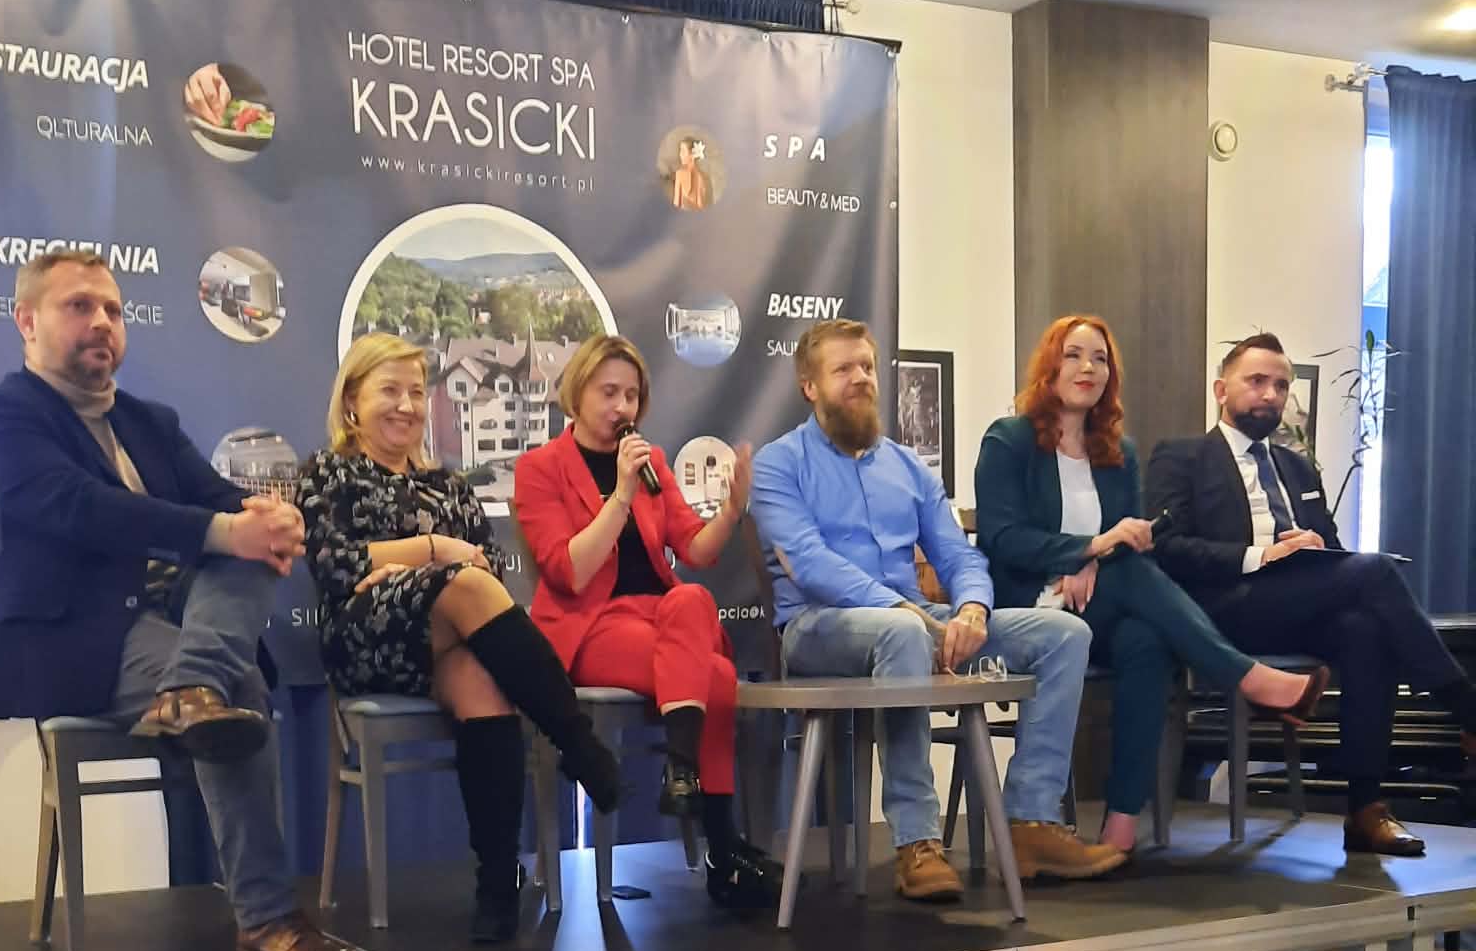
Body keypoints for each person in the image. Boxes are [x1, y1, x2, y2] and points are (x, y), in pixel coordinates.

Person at [0, 248, 355, 951]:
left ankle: (191, 685)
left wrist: (269, 519)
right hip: (77, 637)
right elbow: (82, 509)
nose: (102, 322)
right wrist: (227, 530)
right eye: (79, 306)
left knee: (247, 552)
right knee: (239, 684)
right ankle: (266, 919)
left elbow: (219, 502)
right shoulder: (3, 417)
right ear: (26, 321)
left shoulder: (149, 421)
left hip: (180, 624)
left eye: (113, 310)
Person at [751, 318, 1125, 896]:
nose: (861, 378)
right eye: (843, 369)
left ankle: (1031, 822)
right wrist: (909, 612)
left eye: (867, 367)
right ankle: (917, 840)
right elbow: (810, 565)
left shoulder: (908, 466)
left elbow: (958, 555)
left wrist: (972, 609)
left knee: (1063, 634)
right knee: (901, 632)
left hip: (917, 624)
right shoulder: (779, 463)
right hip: (817, 629)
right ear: (810, 386)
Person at [296, 335, 620, 943]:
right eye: (389, 390)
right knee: (461, 582)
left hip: (446, 638)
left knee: (480, 681)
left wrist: (411, 570)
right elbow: (337, 565)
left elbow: (486, 568)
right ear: (352, 401)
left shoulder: (449, 483)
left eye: (417, 392)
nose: (406, 406)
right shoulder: (327, 472)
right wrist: (434, 553)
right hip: (366, 639)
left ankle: (497, 884)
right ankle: (576, 741)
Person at [975, 317, 1326, 854]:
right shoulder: (1010, 439)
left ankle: (1119, 825)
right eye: (1074, 355)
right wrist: (1088, 549)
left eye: (1100, 358)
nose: (1088, 368)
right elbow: (1002, 537)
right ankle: (1247, 677)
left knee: (1148, 641)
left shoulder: (1119, 450)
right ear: (1049, 366)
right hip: (1029, 606)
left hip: (1097, 600)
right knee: (1136, 578)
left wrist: (1097, 556)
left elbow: (1129, 540)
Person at [1147, 332, 1476, 857]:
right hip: (1221, 609)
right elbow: (1167, 547)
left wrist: (1316, 544)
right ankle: (1466, 710)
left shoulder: (1298, 466)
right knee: (1376, 571)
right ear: (1221, 390)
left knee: (1365, 631)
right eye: (1257, 381)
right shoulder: (1181, 457)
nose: (1271, 394)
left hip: (1292, 607)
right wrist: (1259, 556)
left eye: (1281, 385)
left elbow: (1335, 554)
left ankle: (1365, 810)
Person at [513, 333, 779, 909]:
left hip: (662, 617)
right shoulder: (541, 469)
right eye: (609, 392)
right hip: (589, 626)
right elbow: (568, 572)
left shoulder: (652, 462)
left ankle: (682, 774)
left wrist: (731, 511)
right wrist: (620, 494)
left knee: (693, 600)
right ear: (577, 394)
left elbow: (695, 550)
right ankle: (723, 847)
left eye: (631, 396)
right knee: (715, 676)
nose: (622, 407)